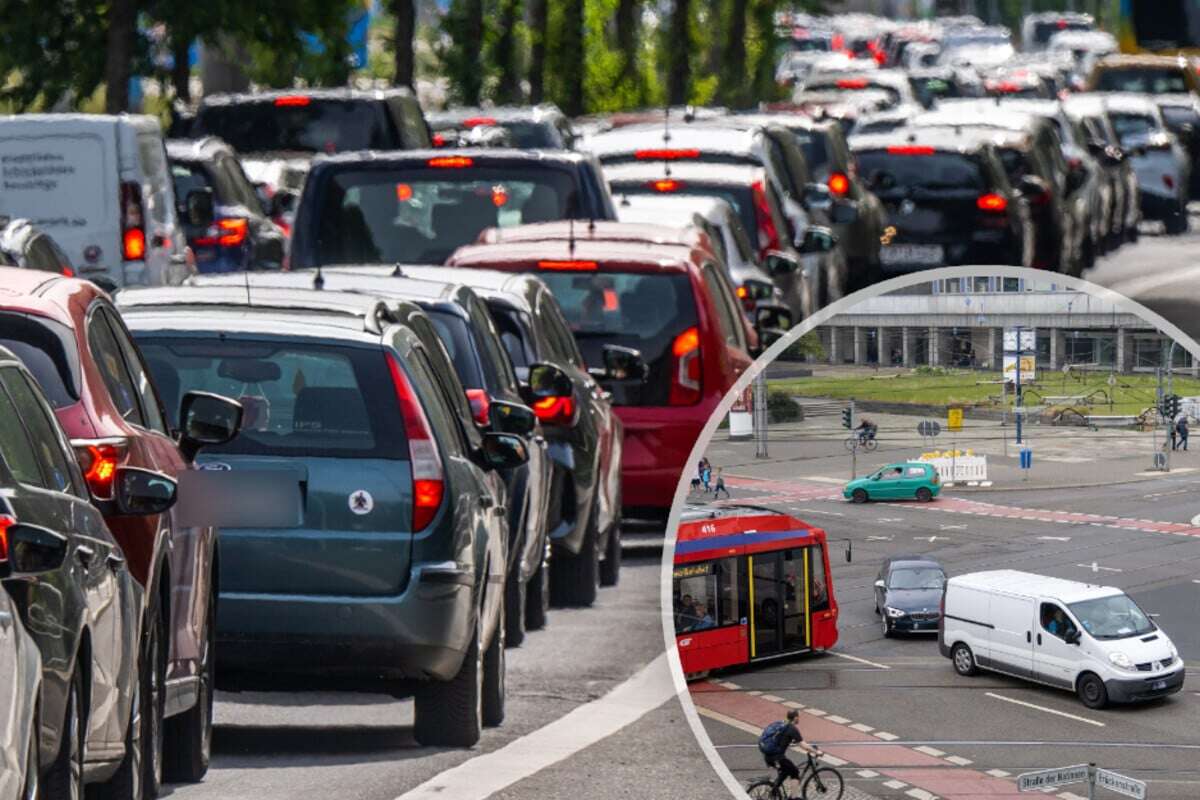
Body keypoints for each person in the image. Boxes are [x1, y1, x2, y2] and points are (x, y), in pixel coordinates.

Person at [758, 709, 821, 793]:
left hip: (768, 755)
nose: (799, 719)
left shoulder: (781, 723)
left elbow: (785, 738)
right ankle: (794, 797)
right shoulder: (792, 729)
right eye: (798, 717)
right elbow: (803, 746)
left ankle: (774, 791)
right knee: (795, 772)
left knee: (786, 770)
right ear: (795, 718)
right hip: (777, 757)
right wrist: (817, 752)